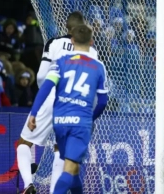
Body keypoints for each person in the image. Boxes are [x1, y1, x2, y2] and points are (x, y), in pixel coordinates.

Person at [17, 12, 98, 194]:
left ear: (67, 28)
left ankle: (28, 185)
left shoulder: (54, 43)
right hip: (76, 105)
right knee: (60, 150)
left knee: (24, 143)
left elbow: (41, 76)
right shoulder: (92, 51)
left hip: (52, 95)